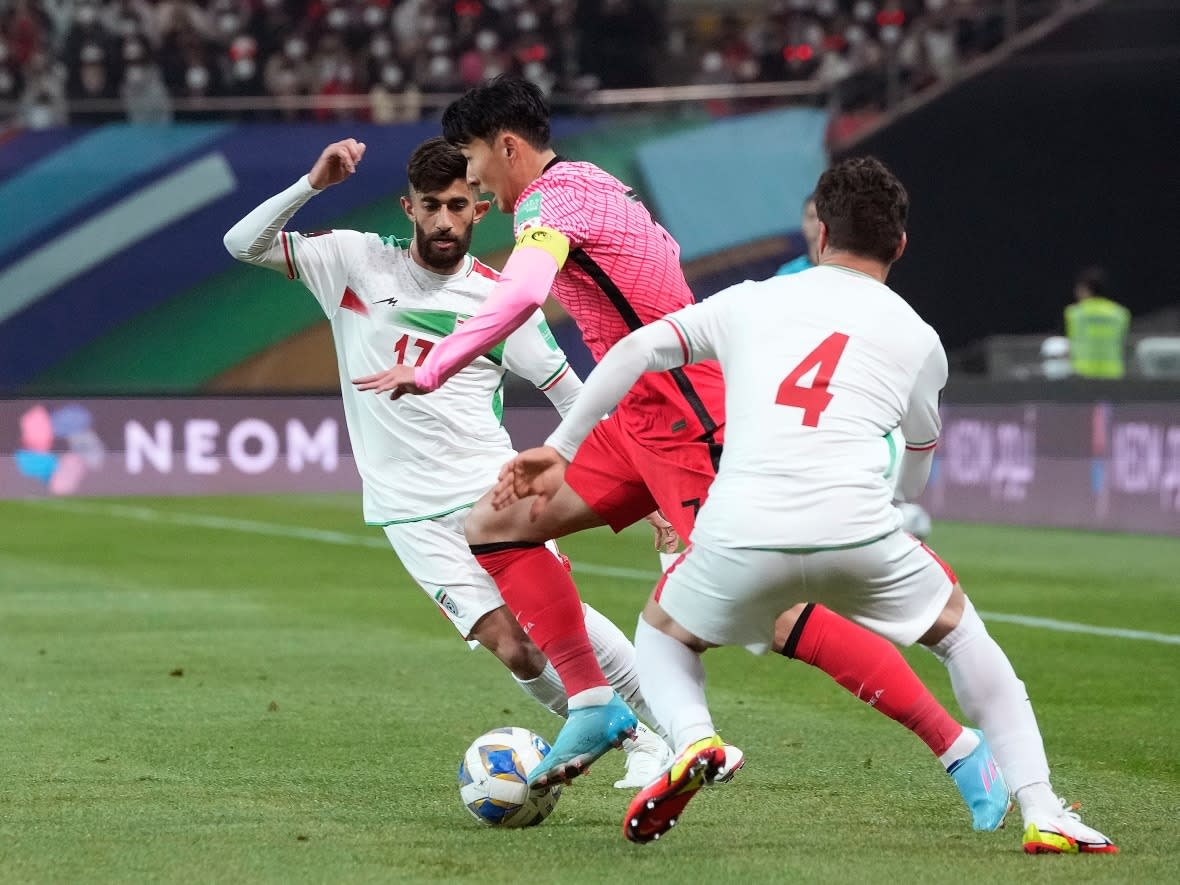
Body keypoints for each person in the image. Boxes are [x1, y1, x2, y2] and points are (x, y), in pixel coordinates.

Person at [353, 76, 1005, 832]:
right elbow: (654, 263)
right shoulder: (594, 184)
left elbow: (525, 293)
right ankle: (595, 702)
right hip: (636, 418)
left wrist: (433, 366)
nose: (470, 181)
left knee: (780, 614)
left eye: (471, 162)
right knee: (496, 524)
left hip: (686, 416)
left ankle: (960, 747)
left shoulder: (549, 202)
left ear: (506, 146)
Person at [496, 156, 1117, 855]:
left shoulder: (753, 299)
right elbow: (919, 453)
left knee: (664, 635)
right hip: (858, 524)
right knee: (960, 633)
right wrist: (899, 513)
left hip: (739, 526)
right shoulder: (920, 338)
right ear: (901, 246)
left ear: (819, 234)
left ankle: (694, 736)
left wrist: (562, 440)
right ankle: (1040, 804)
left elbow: (640, 346)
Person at [222, 135, 674, 789]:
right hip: (406, 511)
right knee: (515, 646)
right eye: (430, 205)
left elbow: (572, 395)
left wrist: (645, 487)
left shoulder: (503, 301)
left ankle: (671, 739)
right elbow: (243, 244)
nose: (443, 220)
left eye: (457, 205)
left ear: (478, 211)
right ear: (408, 207)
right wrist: (311, 184)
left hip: (488, 493)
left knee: (557, 619)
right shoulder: (353, 262)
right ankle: (641, 737)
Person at [1065, 266, 1131, 379]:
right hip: (1113, 372)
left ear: (1086, 289)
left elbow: (1071, 342)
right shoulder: (1120, 314)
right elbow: (1122, 340)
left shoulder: (1074, 314)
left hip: (1083, 372)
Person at [774, 192, 819, 276]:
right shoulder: (788, 274)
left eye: (823, 217)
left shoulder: (847, 268)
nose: (817, 223)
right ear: (803, 224)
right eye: (811, 216)